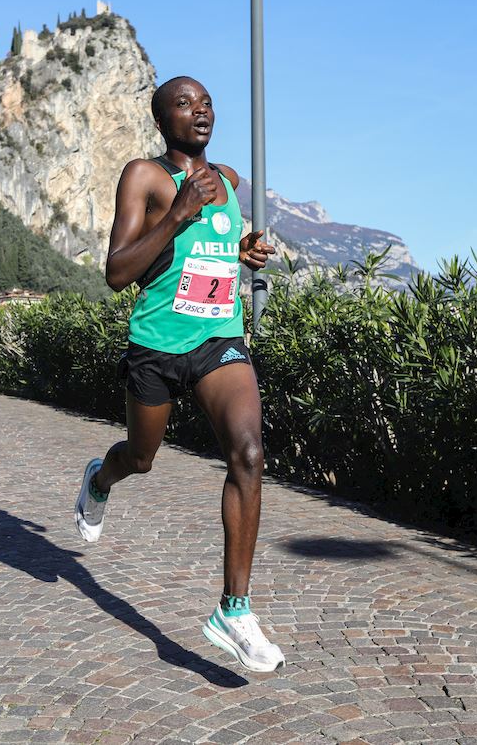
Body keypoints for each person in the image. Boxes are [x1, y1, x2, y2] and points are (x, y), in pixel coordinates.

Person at [74, 77, 282, 672]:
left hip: (218, 338)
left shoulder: (233, 183)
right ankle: (100, 479)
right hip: (156, 346)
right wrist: (181, 212)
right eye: (185, 104)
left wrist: (241, 251)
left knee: (247, 452)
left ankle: (234, 610)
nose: (201, 111)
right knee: (141, 458)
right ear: (162, 120)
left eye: (207, 102)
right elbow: (118, 272)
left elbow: (208, 253)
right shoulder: (146, 176)